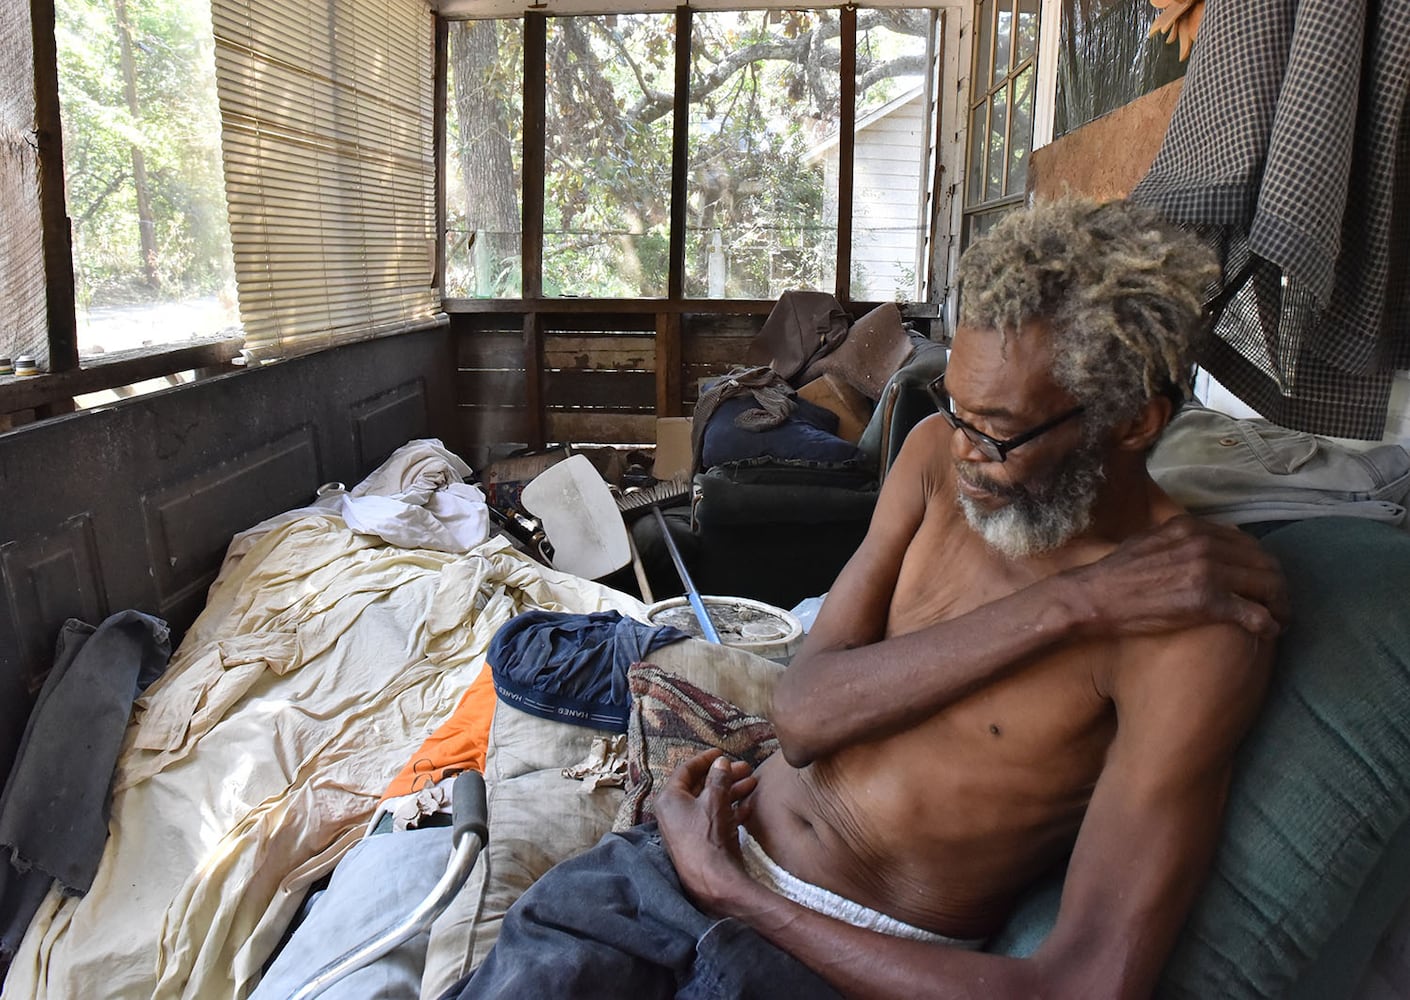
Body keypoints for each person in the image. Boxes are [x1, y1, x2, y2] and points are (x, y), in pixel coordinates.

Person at [446, 198, 1289, 999]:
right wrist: (1077, 603)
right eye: (954, 410)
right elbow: (805, 719)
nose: (963, 454)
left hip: (826, 962)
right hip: (684, 863)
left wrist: (741, 898)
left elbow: (1085, 983)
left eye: (995, 430)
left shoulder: (1194, 634)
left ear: (1134, 422)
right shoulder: (932, 458)